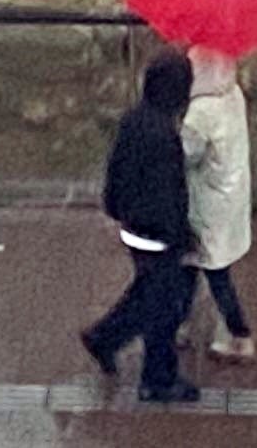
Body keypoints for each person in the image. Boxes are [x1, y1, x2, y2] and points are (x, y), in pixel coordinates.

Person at [81, 53, 201, 403]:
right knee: (165, 305)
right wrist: (181, 236)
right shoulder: (164, 136)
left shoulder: (133, 121)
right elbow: (168, 195)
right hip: (158, 234)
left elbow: (116, 174)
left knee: (148, 292)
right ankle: (157, 379)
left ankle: (105, 338)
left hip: (133, 226)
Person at [180, 48, 256, 361]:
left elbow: (187, 154)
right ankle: (180, 322)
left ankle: (239, 335)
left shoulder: (200, 112)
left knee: (213, 270)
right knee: (192, 263)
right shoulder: (233, 95)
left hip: (205, 202)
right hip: (231, 194)